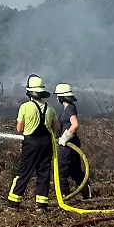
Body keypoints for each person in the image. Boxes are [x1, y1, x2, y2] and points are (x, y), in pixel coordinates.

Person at [6, 74, 61, 212]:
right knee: (43, 173)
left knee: (24, 172)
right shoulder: (50, 108)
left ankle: (13, 204)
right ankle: (41, 206)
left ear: (29, 92)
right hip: (47, 144)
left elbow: (19, 128)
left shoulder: (25, 107)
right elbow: (56, 128)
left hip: (31, 144)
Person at [54, 83, 92, 200]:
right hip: (72, 144)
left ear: (61, 97)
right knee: (74, 170)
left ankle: (65, 197)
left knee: (61, 171)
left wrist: (64, 138)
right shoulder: (68, 108)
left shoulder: (70, 108)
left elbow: (75, 125)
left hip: (67, 145)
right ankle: (86, 193)